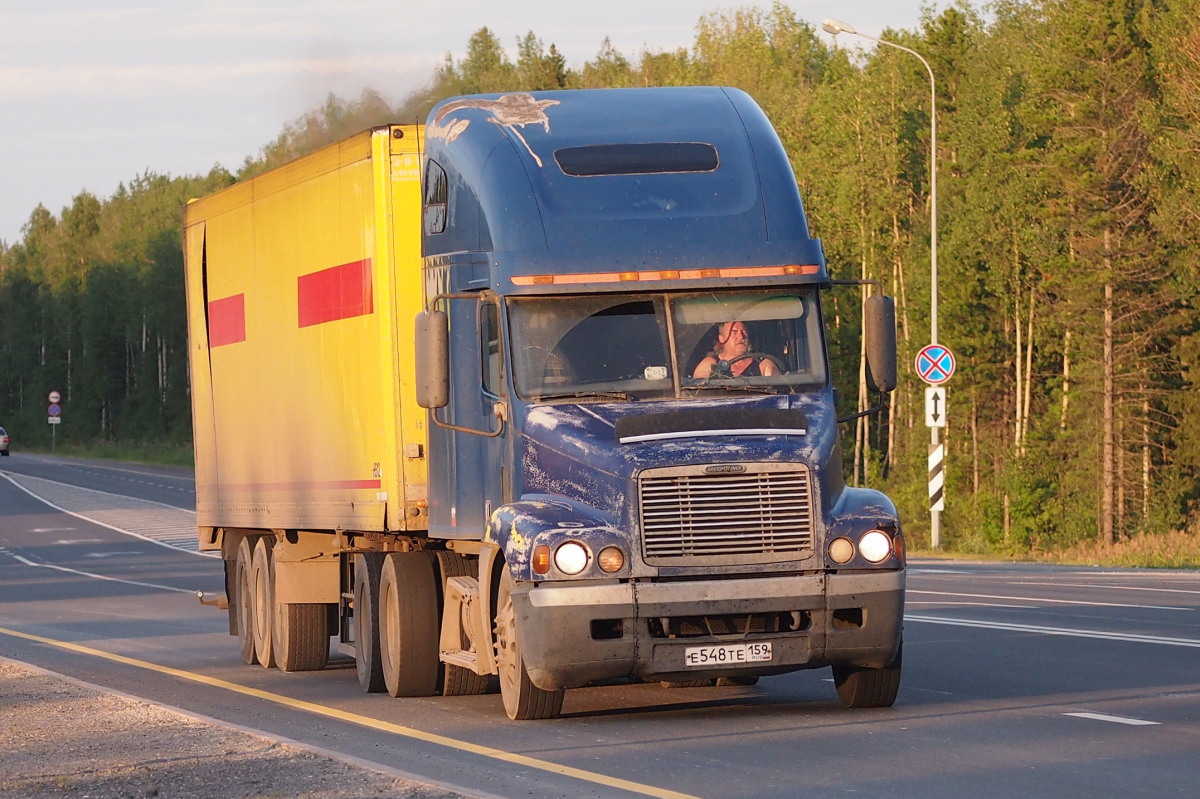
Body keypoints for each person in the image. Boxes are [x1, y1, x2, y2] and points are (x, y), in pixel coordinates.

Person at [692, 320, 779, 379]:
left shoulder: (764, 365)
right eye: (734, 332)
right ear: (721, 338)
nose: (741, 337)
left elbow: (779, 395)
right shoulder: (709, 365)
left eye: (744, 332)